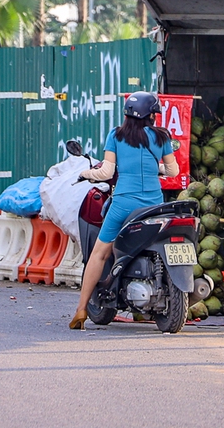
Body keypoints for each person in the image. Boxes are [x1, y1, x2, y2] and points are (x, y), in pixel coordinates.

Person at [69, 91, 179, 330]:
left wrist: (86, 173)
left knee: (99, 254)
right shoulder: (162, 137)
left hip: (123, 205)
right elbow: (173, 172)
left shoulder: (116, 136)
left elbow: (106, 173)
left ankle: (80, 310)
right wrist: (155, 170)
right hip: (154, 206)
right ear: (152, 115)